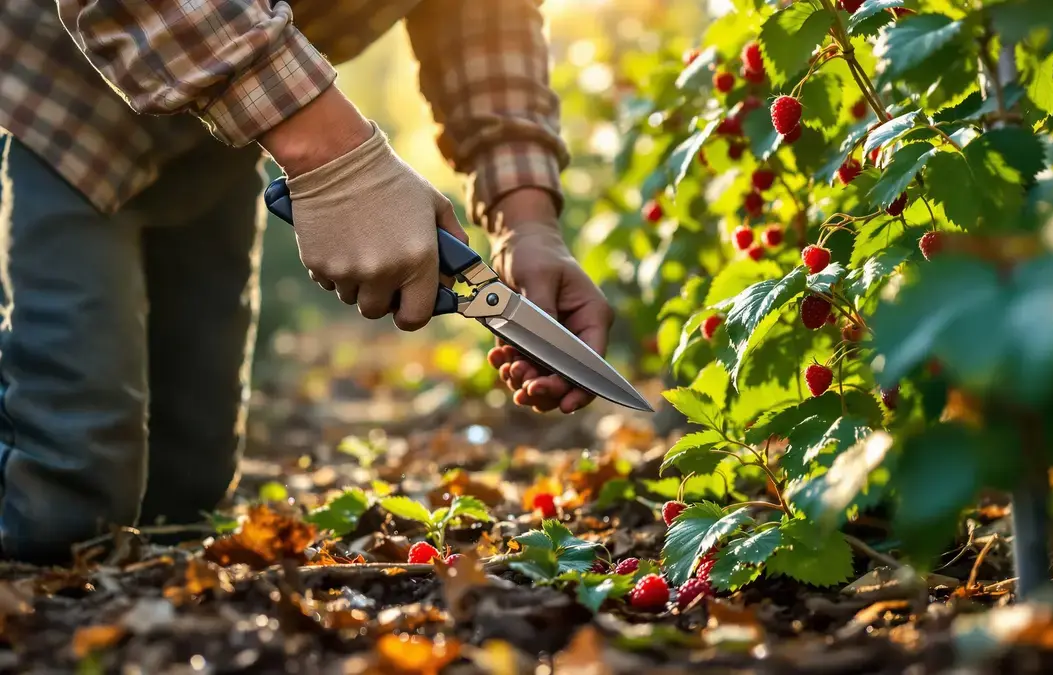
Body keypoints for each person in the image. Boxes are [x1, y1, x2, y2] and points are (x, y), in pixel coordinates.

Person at [0, 0, 613, 564]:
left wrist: (525, 220)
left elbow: (481, 18)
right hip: (67, 104)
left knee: (185, 491)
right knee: (68, 485)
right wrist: (339, 162)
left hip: (220, 127)